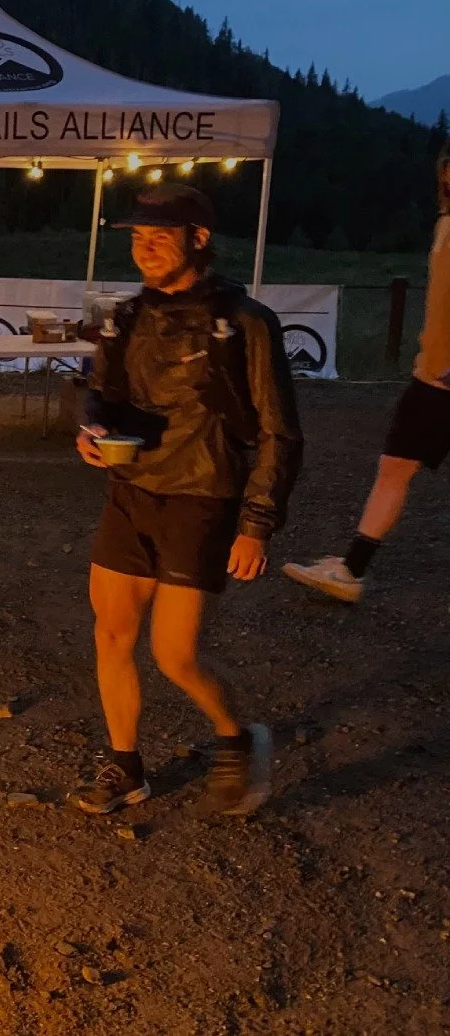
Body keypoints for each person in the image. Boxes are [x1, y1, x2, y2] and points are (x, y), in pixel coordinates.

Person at [72, 183, 301, 818]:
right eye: (137, 238)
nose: (144, 250)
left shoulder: (244, 322)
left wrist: (256, 523)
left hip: (202, 496)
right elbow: (101, 396)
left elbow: (281, 431)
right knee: (111, 634)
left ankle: (236, 735)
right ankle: (126, 766)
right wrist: (91, 433)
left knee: (175, 655)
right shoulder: (126, 317)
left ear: (198, 240)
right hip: (131, 492)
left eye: (159, 237)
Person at [284, 145, 450, 602]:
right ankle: (350, 569)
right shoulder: (446, 223)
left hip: (443, 378)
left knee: (394, 470)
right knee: (394, 468)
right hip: (433, 374)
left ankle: (351, 571)